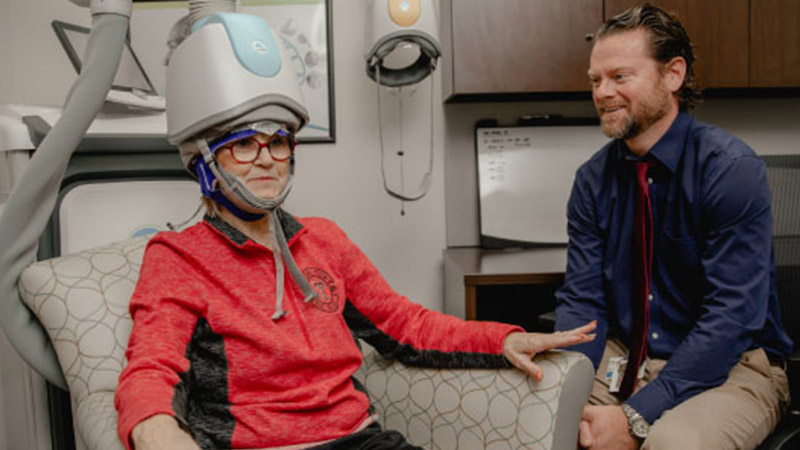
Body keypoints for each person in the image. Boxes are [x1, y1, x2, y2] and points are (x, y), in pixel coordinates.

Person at [114, 17, 596, 450]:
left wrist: (501, 340)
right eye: (242, 144)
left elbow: (404, 326)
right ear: (204, 162)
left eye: (277, 141)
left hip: (358, 439)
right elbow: (152, 367)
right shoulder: (178, 257)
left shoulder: (323, 239)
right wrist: (155, 428)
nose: (265, 157)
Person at [553, 4, 793, 450]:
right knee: (545, 422)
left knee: (674, 444)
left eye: (620, 77)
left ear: (673, 75)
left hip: (733, 364)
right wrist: (566, 390)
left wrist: (633, 416)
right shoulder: (592, 180)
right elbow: (583, 303)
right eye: (595, 80)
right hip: (627, 357)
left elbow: (730, 319)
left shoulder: (730, 169)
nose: (603, 92)